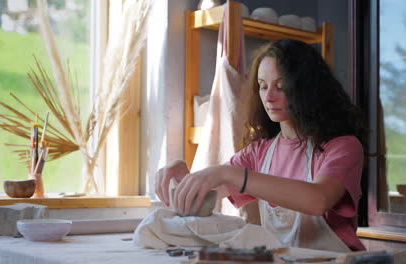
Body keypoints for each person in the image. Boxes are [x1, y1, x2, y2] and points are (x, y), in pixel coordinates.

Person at [155, 39, 367, 252]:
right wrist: (182, 179)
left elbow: (318, 200)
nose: (268, 96)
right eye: (262, 86)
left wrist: (231, 174)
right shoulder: (260, 152)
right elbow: (206, 192)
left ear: (307, 88)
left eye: (281, 86)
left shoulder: (344, 147)